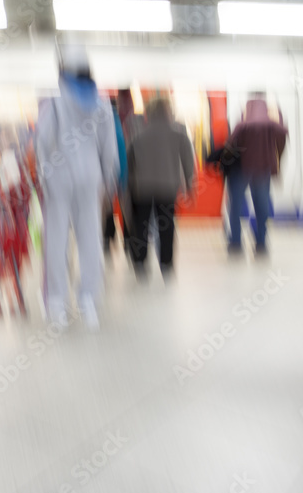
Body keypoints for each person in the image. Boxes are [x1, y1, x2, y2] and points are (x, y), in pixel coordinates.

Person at [35, 49, 119, 329]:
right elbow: (109, 148)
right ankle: (88, 302)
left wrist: (43, 175)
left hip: (59, 179)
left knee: (56, 240)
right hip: (90, 179)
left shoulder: (55, 105)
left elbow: (42, 143)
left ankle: (57, 303)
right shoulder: (103, 104)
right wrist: (109, 179)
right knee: (90, 240)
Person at [125, 97, 194, 280]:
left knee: (141, 224)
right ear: (167, 111)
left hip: (142, 187)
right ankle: (166, 263)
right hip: (167, 186)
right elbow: (188, 161)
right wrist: (190, 186)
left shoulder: (139, 135)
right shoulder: (178, 133)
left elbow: (129, 160)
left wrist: (128, 184)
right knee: (166, 224)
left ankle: (139, 262)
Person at [225, 95, 288, 256]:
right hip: (263, 170)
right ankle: (261, 243)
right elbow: (283, 136)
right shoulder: (272, 126)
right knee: (262, 206)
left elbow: (230, 147)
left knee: (235, 206)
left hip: (241, 171)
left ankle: (235, 243)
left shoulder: (242, 126)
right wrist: (277, 160)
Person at [101, 96, 128, 257]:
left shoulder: (106, 123)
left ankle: (107, 238)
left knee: (106, 209)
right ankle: (126, 241)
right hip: (117, 173)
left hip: (107, 175)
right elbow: (122, 153)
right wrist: (123, 178)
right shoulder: (117, 123)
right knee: (122, 210)